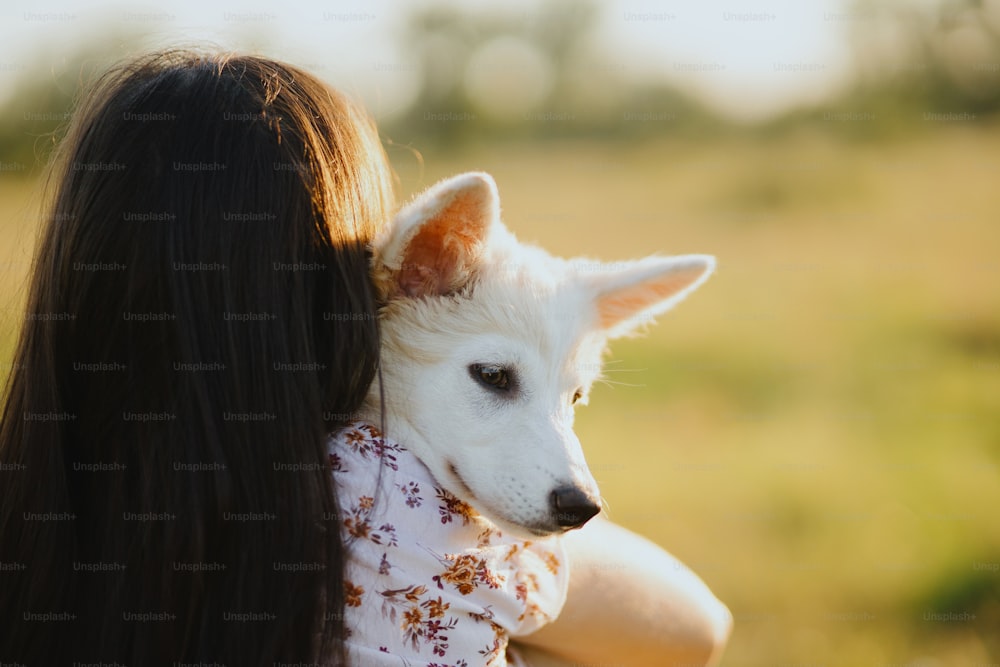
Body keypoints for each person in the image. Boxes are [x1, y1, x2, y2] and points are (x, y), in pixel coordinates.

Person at [0, 49, 730, 666]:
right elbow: (696, 626)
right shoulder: (394, 499)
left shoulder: (38, 488)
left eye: (573, 398)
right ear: (371, 270)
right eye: (494, 378)